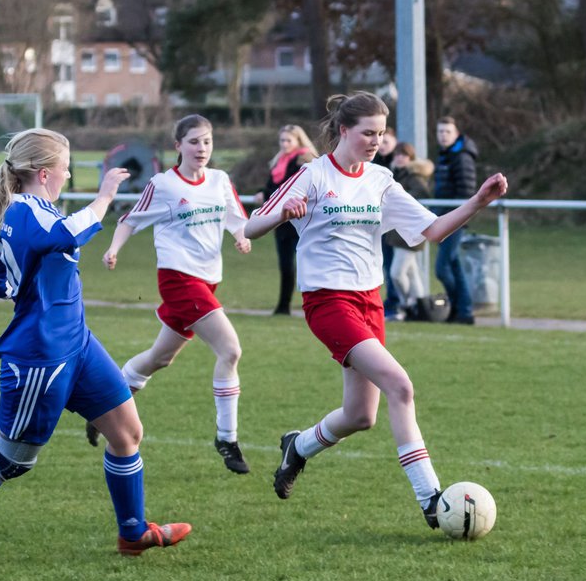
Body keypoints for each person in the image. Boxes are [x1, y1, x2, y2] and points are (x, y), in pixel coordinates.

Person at [0, 128, 191, 566]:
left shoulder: (34, 211)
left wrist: (18, 277)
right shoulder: (23, 213)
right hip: (41, 356)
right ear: (44, 173)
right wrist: (105, 196)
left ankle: (132, 533)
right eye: (65, 166)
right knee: (13, 459)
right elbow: (65, 236)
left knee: (127, 433)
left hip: (77, 345)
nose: (68, 173)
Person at [243, 92, 508, 529]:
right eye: (367, 132)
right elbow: (251, 226)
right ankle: (431, 500)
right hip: (328, 302)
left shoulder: (381, 180)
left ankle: (298, 447)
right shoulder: (311, 175)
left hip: (370, 302)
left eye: (381, 134)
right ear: (344, 130)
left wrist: (477, 202)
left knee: (360, 416)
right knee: (400, 386)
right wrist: (280, 215)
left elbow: (431, 231)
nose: (375, 141)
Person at [91, 115, 254, 476]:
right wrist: (114, 249)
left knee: (160, 358)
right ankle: (227, 439)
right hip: (179, 279)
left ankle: (103, 408)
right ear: (178, 145)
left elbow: (236, 218)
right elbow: (131, 219)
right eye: (194, 142)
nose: (202, 149)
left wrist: (241, 237)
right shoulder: (163, 184)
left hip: (209, 280)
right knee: (231, 349)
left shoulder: (219, 180)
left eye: (207, 141)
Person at [252, 125, 318, 316]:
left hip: (301, 218)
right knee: (285, 264)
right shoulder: (279, 161)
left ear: (299, 141)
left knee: (308, 263)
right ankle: (284, 305)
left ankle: (313, 303)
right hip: (281, 220)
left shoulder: (305, 160)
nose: (285, 144)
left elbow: (290, 189)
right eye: (282, 140)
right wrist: (263, 192)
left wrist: (269, 194)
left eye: (289, 140)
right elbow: (273, 187)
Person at [433, 116, 480, 324]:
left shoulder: (461, 157)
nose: (443, 136)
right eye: (440, 132)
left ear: (456, 134)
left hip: (454, 220)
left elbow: (466, 192)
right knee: (453, 265)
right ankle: (463, 311)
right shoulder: (446, 155)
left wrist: (453, 217)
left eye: (447, 132)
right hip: (446, 217)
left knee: (442, 268)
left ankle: (460, 305)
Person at [388, 141, 434, 320]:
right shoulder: (397, 175)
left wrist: (399, 201)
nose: (400, 158)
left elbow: (422, 194)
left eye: (404, 155)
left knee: (397, 273)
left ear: (411, 158)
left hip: (411, 233)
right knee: (412, 274)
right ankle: (422, 310)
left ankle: (407, 305)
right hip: (399, 233)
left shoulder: (414, 176)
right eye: (397, 154)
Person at [372, 129, 401, 316]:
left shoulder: (397, 165)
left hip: (395, 225)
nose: (381, 144)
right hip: (378, 222)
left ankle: (397, 301)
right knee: (387, 265)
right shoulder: (373, 164)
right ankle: (394, 301)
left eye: (385, 140)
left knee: (396, 268)